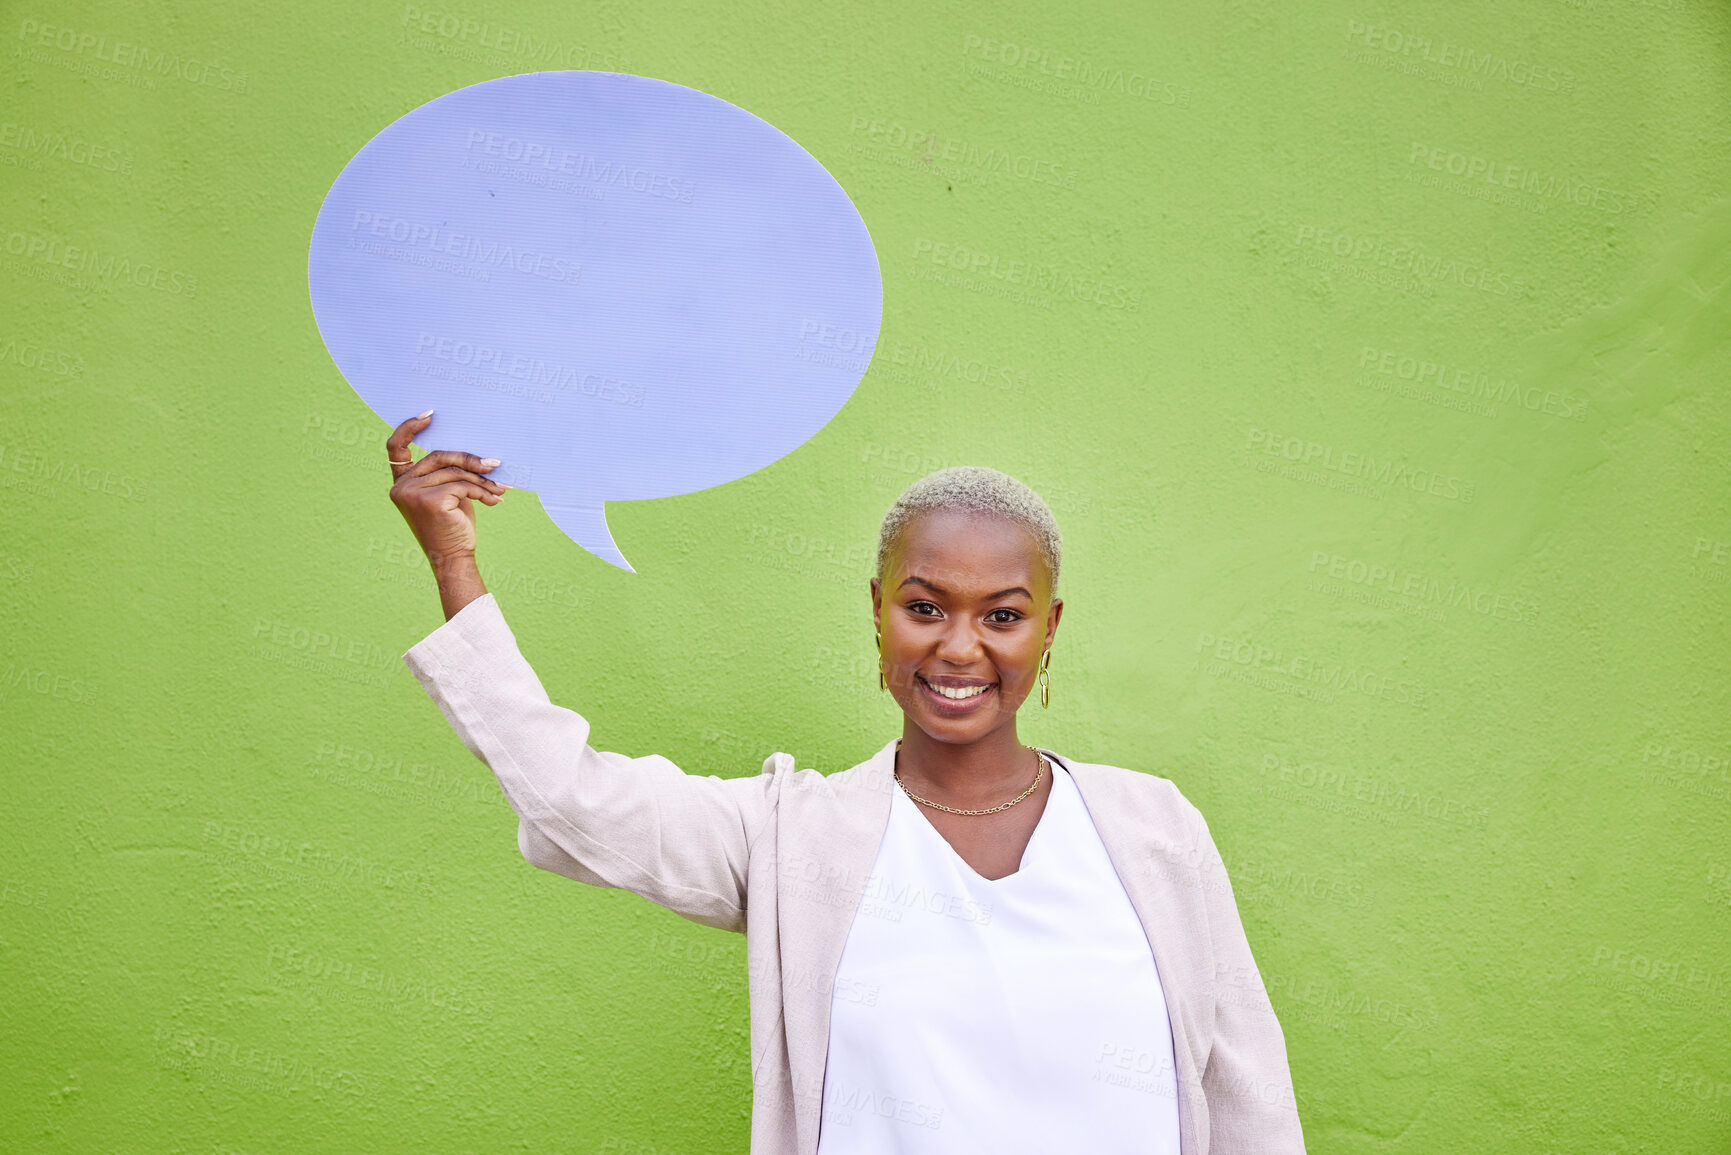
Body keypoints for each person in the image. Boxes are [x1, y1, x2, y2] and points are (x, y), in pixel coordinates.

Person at [386, 410, 1306, 1154]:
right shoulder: (793, 836)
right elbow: (572, 795)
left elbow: (1250, 1100)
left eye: (1003, 614)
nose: (959, 645)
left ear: (1048, 627)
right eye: (923, 606)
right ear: (877, 611)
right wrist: (453, 563)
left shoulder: (1153, 829)